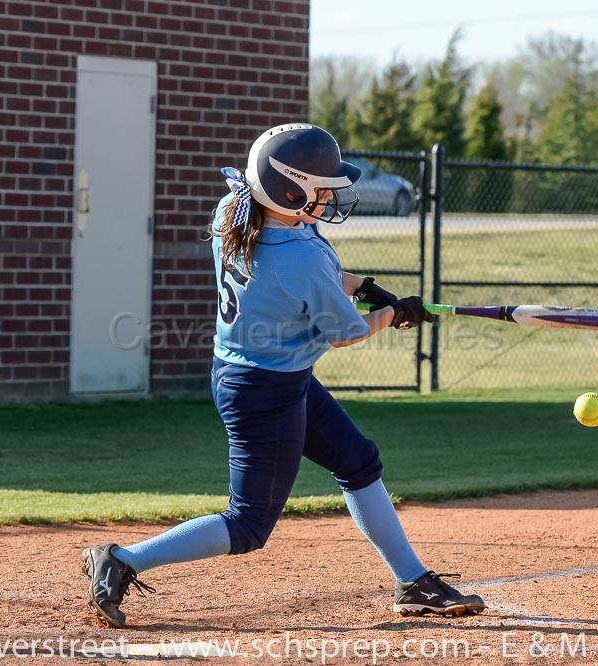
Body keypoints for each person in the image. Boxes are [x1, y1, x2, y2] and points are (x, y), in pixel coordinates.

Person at [82, 123, 485, 628]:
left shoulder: (238, 208)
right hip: (263, 393)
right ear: (290, 191)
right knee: (248, 524)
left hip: (260, 375)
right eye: (321, 190)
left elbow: (310, 271)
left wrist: (369, 288)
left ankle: (411, 580)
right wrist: (395, 314)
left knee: (358, 462)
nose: (331, 197)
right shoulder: (299, 256)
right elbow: (345, 332)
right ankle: (122, 561)